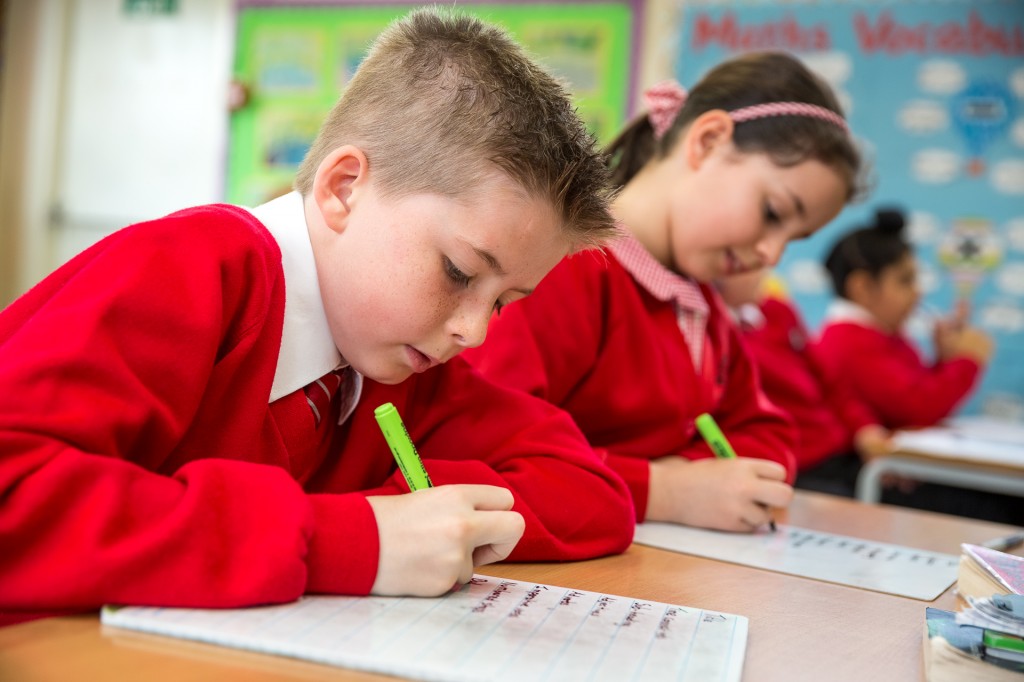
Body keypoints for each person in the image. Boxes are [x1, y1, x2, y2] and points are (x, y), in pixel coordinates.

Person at [0, 8, 635, 624]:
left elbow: (592, 493)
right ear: (343, 189)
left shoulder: (399, 366)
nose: (473, 332)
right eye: (458, 272)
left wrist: (417, 520)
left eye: (502, 302)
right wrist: (352, 538)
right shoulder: (186, 271)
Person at [465, 52, 863, 532]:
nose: (772, 254)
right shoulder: (561, 268)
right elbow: (483, 446)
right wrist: (663, 489)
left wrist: (691, 480)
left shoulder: (700, 303)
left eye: (794, 239)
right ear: (708, 141)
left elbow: (768, 436)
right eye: (773, 213)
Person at [717, 269, 890, 497]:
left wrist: (865, 429)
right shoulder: (716, 335)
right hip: (795, 470)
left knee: (917, 487)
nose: (764, 263)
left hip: (841, 454)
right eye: (739, 257)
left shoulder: (778, 310)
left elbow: (831, 382)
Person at [817, 208, 993, 429]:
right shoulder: (849, 342)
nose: (918, 292)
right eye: (905, 281)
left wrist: (945, 359)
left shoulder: (882, 335)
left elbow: (916, 390)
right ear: (862, 287)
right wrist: (967, 361)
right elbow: (917, 408)